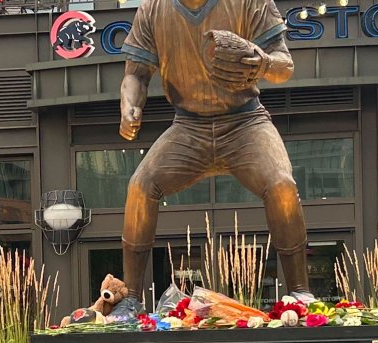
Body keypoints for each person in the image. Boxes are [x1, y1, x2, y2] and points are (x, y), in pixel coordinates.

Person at [118, 0, 313, 309]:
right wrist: (129, 106)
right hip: (188, 127)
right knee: (140, 186)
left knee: (281, 185)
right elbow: (136, 75)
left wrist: (262, 63)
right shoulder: (152, 9)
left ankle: (300, 291)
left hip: (245, 121)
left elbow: (285, 65)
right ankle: (129, 298)